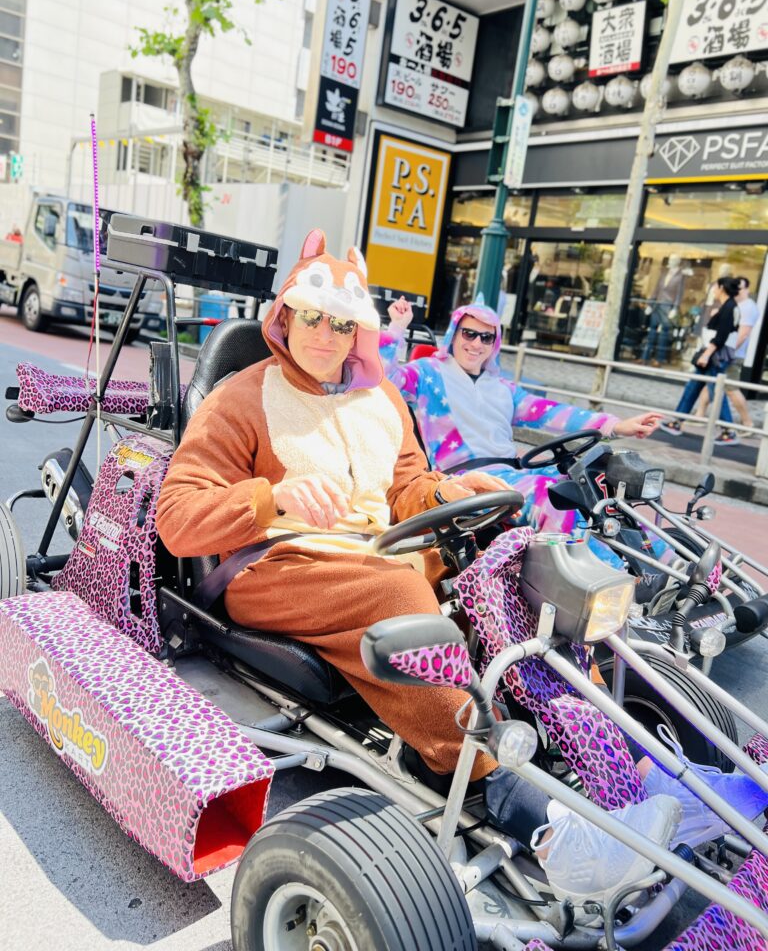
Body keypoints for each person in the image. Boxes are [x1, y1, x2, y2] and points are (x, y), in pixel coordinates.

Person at [154, 229, 735, 907]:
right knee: (399, 588)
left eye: (341, 322)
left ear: (357, 331)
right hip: (276, 565)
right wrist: (269, 496)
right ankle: (538, 825)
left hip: (380, 552)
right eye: (311, 316)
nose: (324, 333)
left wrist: (449, 493)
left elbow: (406, 488)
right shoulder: (240, 398)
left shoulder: (380, 400)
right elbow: (177, 514)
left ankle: (643, 774)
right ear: (284, 316)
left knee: (531, 569)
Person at [381, 296, 662, 565]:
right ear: (454, 333)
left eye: (486, 337)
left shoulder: (503, 388)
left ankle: (665, 563)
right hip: (466, 480)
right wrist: (397, 327)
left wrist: (616, 425)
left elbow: (552, 412)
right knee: (549, 497)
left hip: (514, 472)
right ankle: (612, 579)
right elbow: (384, 378)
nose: (476, 343)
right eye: (469, 333)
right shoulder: (427, 372)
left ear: (495, 343)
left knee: (598, 485)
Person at [660, 276, 741, 446]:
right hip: (713, 355)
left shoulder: (729, 307)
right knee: (694, 387)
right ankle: (677, 421)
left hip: (714, 356)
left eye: (715, 287)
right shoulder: (727, 307)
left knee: (716, 392)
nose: (713, 290)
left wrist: (706, 354)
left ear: (722, 288)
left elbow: (722, 335)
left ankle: (729, 430)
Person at [695, 276, 759, 433]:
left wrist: (725, 353)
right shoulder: (736, 305)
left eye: (741, 287)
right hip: (725, 353)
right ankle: (699, 416)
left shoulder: (748, 307)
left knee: (730, 388)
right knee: (710, 382)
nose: (738, 290)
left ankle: (747, 424)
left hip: (732, 355)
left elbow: (743, 335)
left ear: (747, 290)